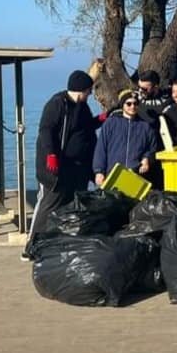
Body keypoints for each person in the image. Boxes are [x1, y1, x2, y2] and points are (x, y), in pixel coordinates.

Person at [23, 70, 103, 259]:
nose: (90, 94)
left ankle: (60, 243)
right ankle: (31, 246)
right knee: (48, 205)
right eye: (88, 91)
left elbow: (85, 128)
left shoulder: (83, 107)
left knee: (70, 206)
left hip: (76, 168)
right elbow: (46, 130)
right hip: (55, 168)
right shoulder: (57, 104)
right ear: (81, 89)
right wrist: (51, 154)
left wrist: (100, 120)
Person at [93, 89, 158, 185]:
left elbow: (152, 148)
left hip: (136, 175)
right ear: (122, 105)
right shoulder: (111, 123)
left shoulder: (145, 127)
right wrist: (99, 171)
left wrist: (146, 159)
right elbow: (101, 149)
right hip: (112, 174)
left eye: (135, 104)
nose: (132, 107)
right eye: (129, 104)